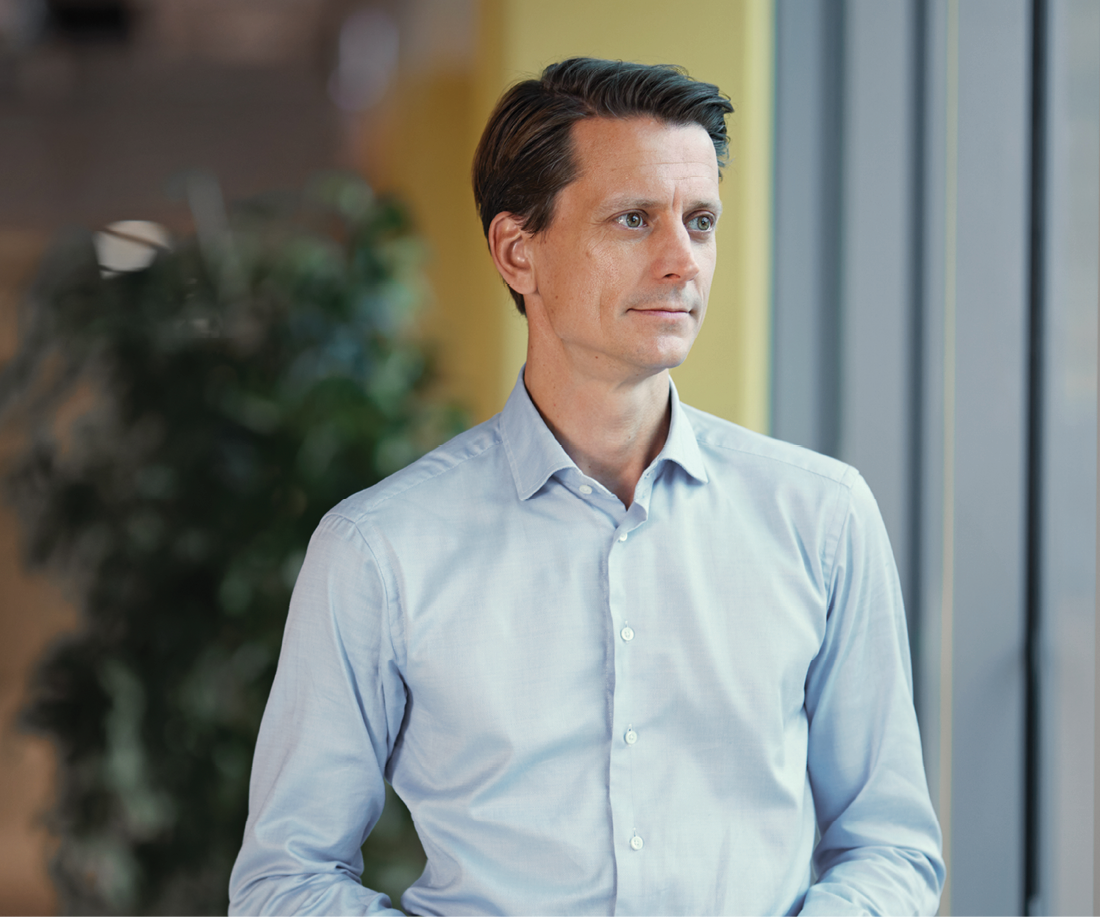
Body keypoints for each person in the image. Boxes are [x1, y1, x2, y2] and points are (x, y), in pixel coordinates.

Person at [228, 57, 943, 916]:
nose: (683, 262)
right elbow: (284, 881)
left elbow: (890, 847)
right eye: (635, 219)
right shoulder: (379, 551)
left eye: (701, 220)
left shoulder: (823, 517)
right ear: (517, 250)